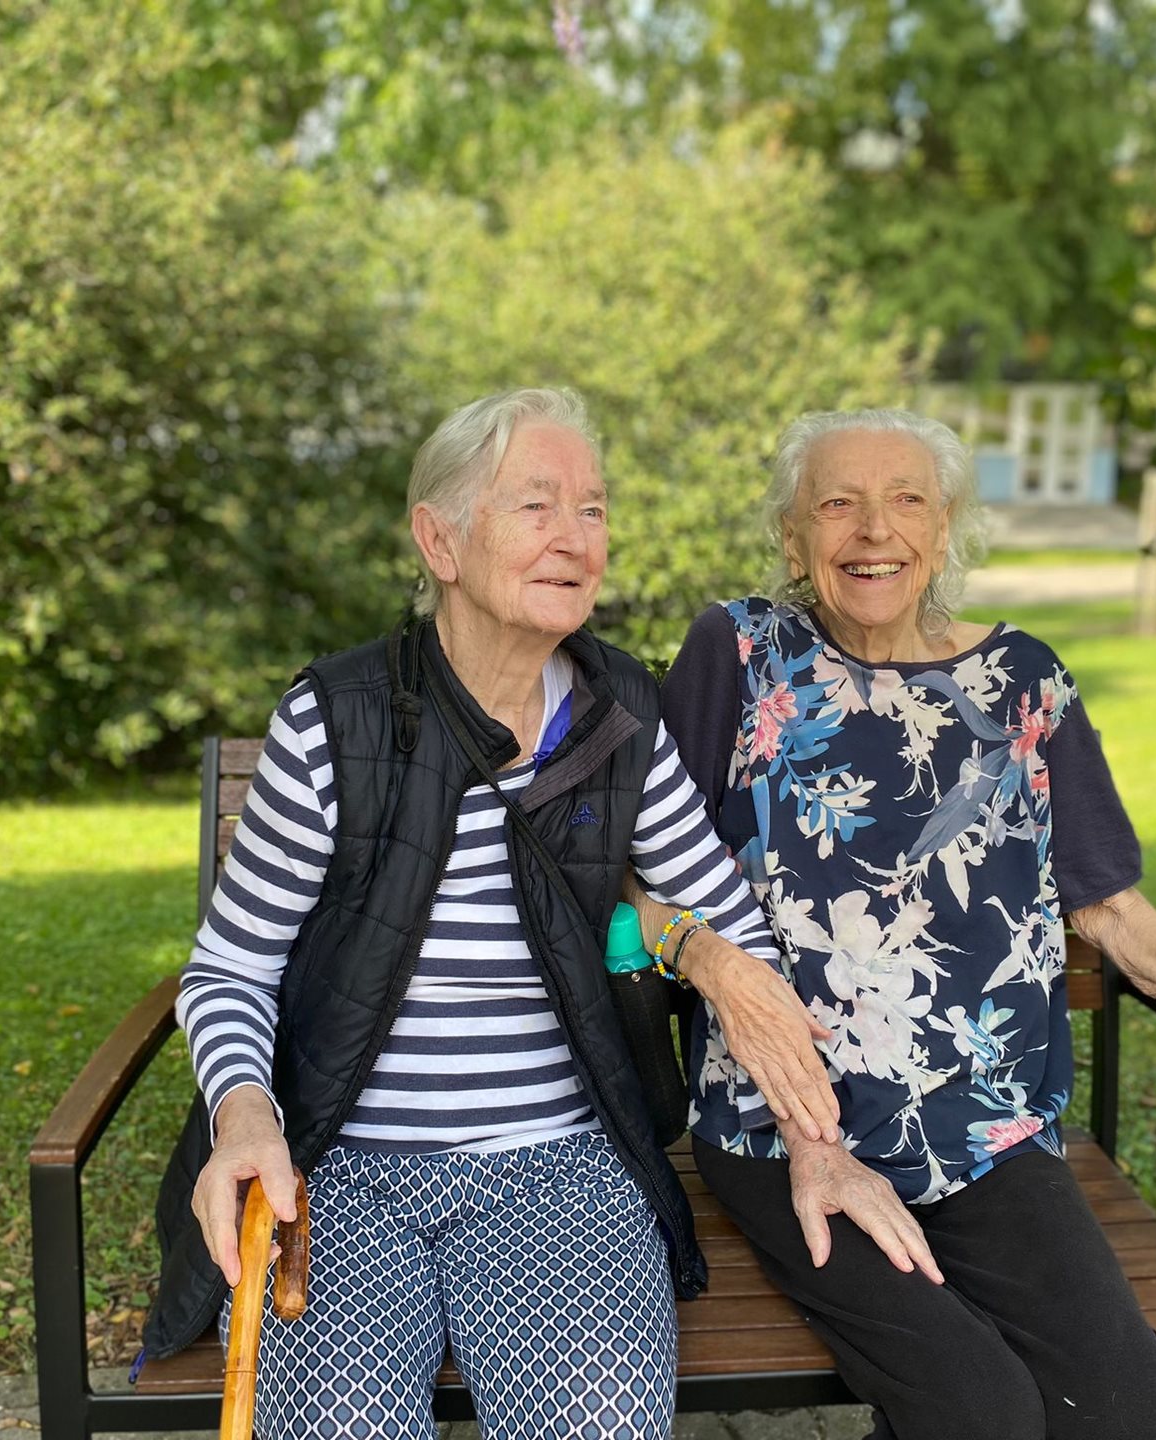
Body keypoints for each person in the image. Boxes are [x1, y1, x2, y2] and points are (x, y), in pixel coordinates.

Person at [632, 408, 1156, 1440]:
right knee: (980, 1412)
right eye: (837, 504)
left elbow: (1105, 901)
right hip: (786, 1124)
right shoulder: (739, 653)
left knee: (1136, 1418)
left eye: (906, 500)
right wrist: (705, 959)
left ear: (945, 530)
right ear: (793, 540)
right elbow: (638, 877)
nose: (873, 530)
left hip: (988, 1128)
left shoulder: (1025, 681)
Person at [143, 387, 839, 1440]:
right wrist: (244, 1114)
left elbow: (721, 919)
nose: (576, 537)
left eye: (593, 510)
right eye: (537, 505)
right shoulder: (336, 721)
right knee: (338, 1426)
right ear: (441, 541)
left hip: (557, 1161)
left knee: (597, 1419)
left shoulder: (618, 714)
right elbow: (231, 969)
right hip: (342, 1165)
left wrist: (804, 1121)